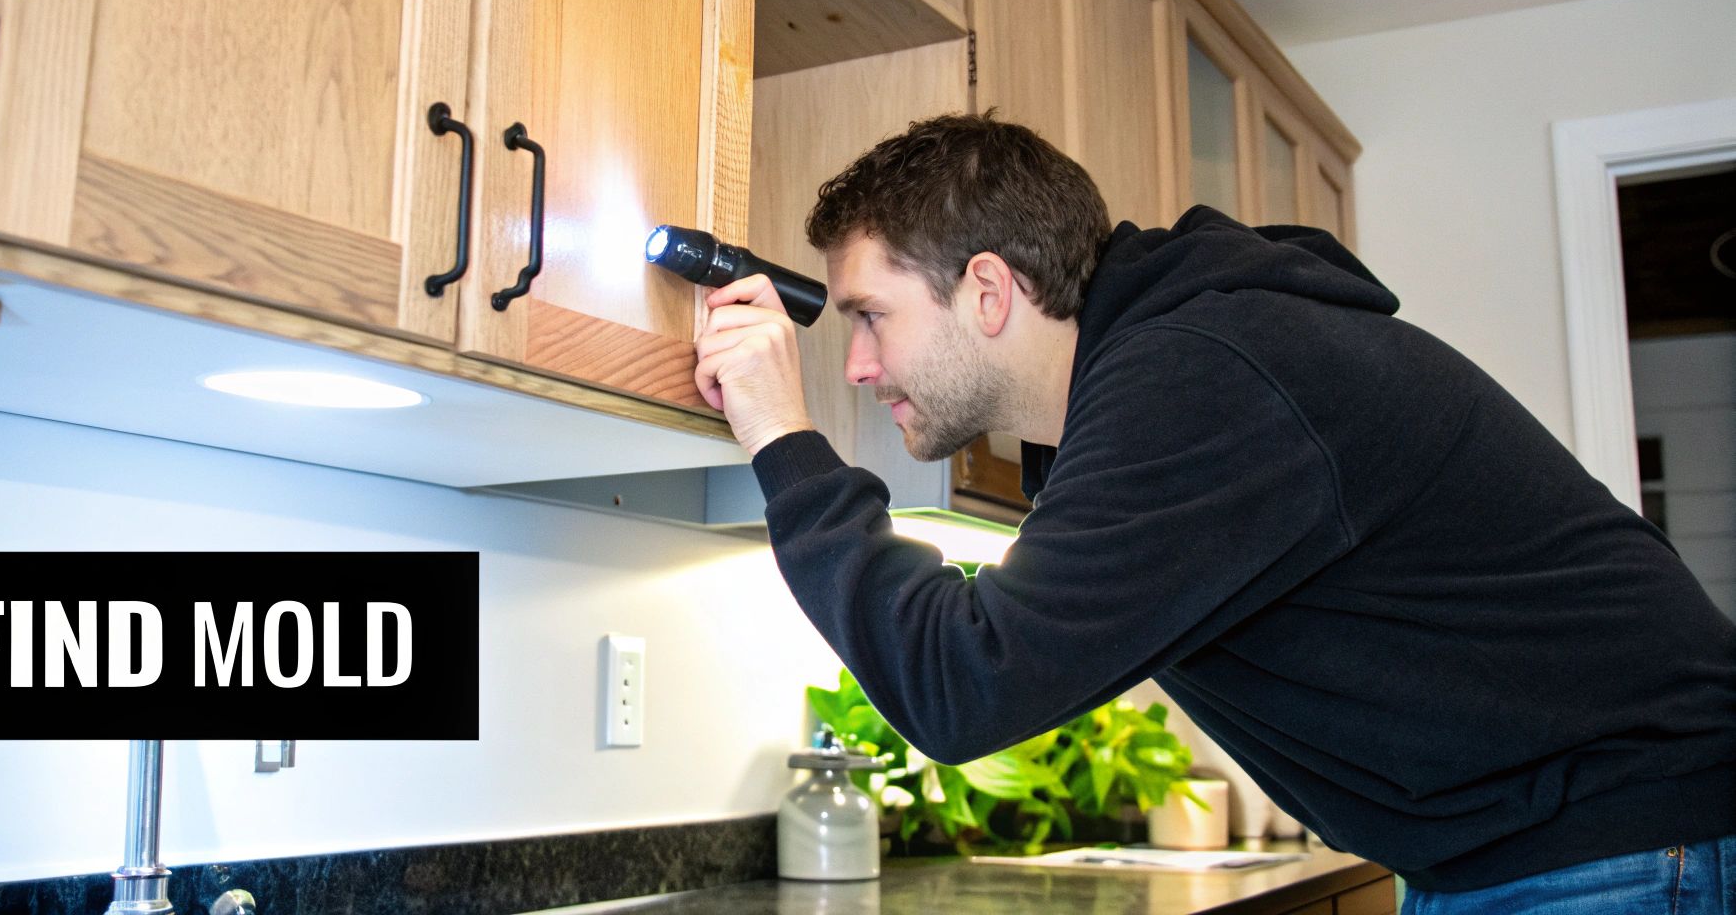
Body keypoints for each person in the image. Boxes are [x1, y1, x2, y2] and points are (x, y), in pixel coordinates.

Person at [692, 112, 1736, 912]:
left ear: (988, 289)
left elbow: (966, 683)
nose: (859, 364)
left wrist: (782, 437)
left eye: (870, 315)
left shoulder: (1199, 376)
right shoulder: (1167, 373)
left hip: (1622, 844)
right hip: (1569, 841)